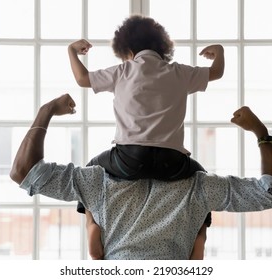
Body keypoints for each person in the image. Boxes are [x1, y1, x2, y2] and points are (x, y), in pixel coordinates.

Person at [10, 94, 272, 260]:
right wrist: (261, 135)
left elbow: (23, 171)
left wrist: (46, 111)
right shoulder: (199, 186)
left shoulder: (97, 182)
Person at [68, 15, 225, 259]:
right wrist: (219, 52)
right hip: (173, 162)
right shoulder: (178, 72)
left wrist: (72, 52)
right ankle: (199, 236)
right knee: (200, 179)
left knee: (90, 171)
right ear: (162, 47)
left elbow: (82, 79)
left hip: (127, 160)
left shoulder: (123, 70)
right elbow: (216, 73)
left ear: (127, 50)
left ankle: (93, 224)